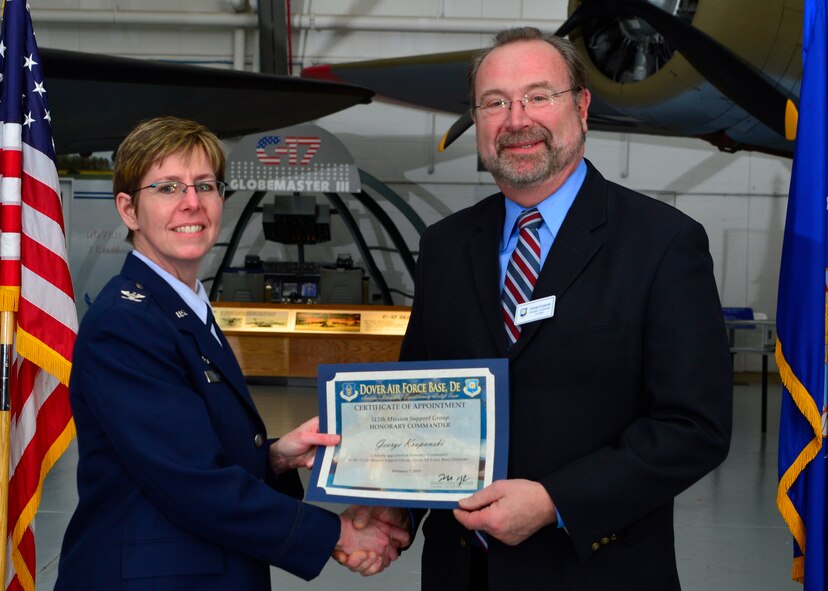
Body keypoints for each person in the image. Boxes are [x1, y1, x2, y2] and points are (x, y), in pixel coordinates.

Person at [344, 27, 733, 590]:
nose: (516, 119)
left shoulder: (663, 243)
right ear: (476, 119)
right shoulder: (446, 246)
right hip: (461, 573)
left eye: (538, 96)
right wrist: (396, 506)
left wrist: (555, 501)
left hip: (595, 571)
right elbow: (423, 404)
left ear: (581, 106)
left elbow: (694, 426)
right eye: (495, 102)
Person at [55, 116, 408, 590]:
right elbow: (190, 483)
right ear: (129, 209)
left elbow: (195, 445)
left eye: (205, 185)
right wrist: (337, 534)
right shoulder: (127, 323)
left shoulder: (184, 307)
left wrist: (277, 457)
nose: (191, 204)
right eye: (167, 188)